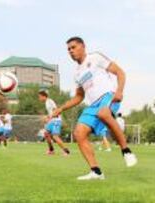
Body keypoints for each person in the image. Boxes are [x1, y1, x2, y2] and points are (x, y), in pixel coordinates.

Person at [53, 37, 137, 180]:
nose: (71, 51)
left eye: (73, 47)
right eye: (68, 49)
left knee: (103, 113)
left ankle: (127, 151)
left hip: (108, 96)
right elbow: (79, 97)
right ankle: (96, 172)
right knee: (79, 133)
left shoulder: (96, 57)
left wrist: (119, 91)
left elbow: (120, 72)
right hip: (93, 105)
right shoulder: (77, 74)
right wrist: (61, 109)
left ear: (83, 46)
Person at [38, 90, 70, 156]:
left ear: (44, 96)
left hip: (56, 120)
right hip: (52, 120)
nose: (39, 98)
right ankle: (51, 150)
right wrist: (47, 117)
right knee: (46, 133)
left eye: (40, 97)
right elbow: (51, 113)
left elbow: (56, 111)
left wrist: (48, 117)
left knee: (55, 137)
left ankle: (66, 151)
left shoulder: (49, 101)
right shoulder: (47, 102)